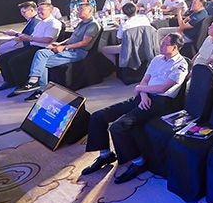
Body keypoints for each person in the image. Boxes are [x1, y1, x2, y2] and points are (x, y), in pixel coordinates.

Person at [81, 33, 189, 184]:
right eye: (162, 42)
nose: (161, 45)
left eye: (165, 44)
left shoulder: (181, 65)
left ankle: (139, 162)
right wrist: (143, 93)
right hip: (144, 96)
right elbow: (145, 80)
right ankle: (105, 155)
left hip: (160, 102)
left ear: (175, 47)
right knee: (97, 116)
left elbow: (164, 88)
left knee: (118, 126)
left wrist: (141, 89)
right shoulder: (157, 59)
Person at [9, 3, 100, 100]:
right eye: (79, 9)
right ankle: (34, 81)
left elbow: (84, 43)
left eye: (81, 9)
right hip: (68, 47)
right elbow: (72, 38)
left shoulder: (93, 25)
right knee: (41, 53)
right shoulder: (81, 23)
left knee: (41, 62)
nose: (78, 11)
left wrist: (65, 47)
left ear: (90, 11)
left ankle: (39, 88)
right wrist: (59, 43)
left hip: (77, 52)